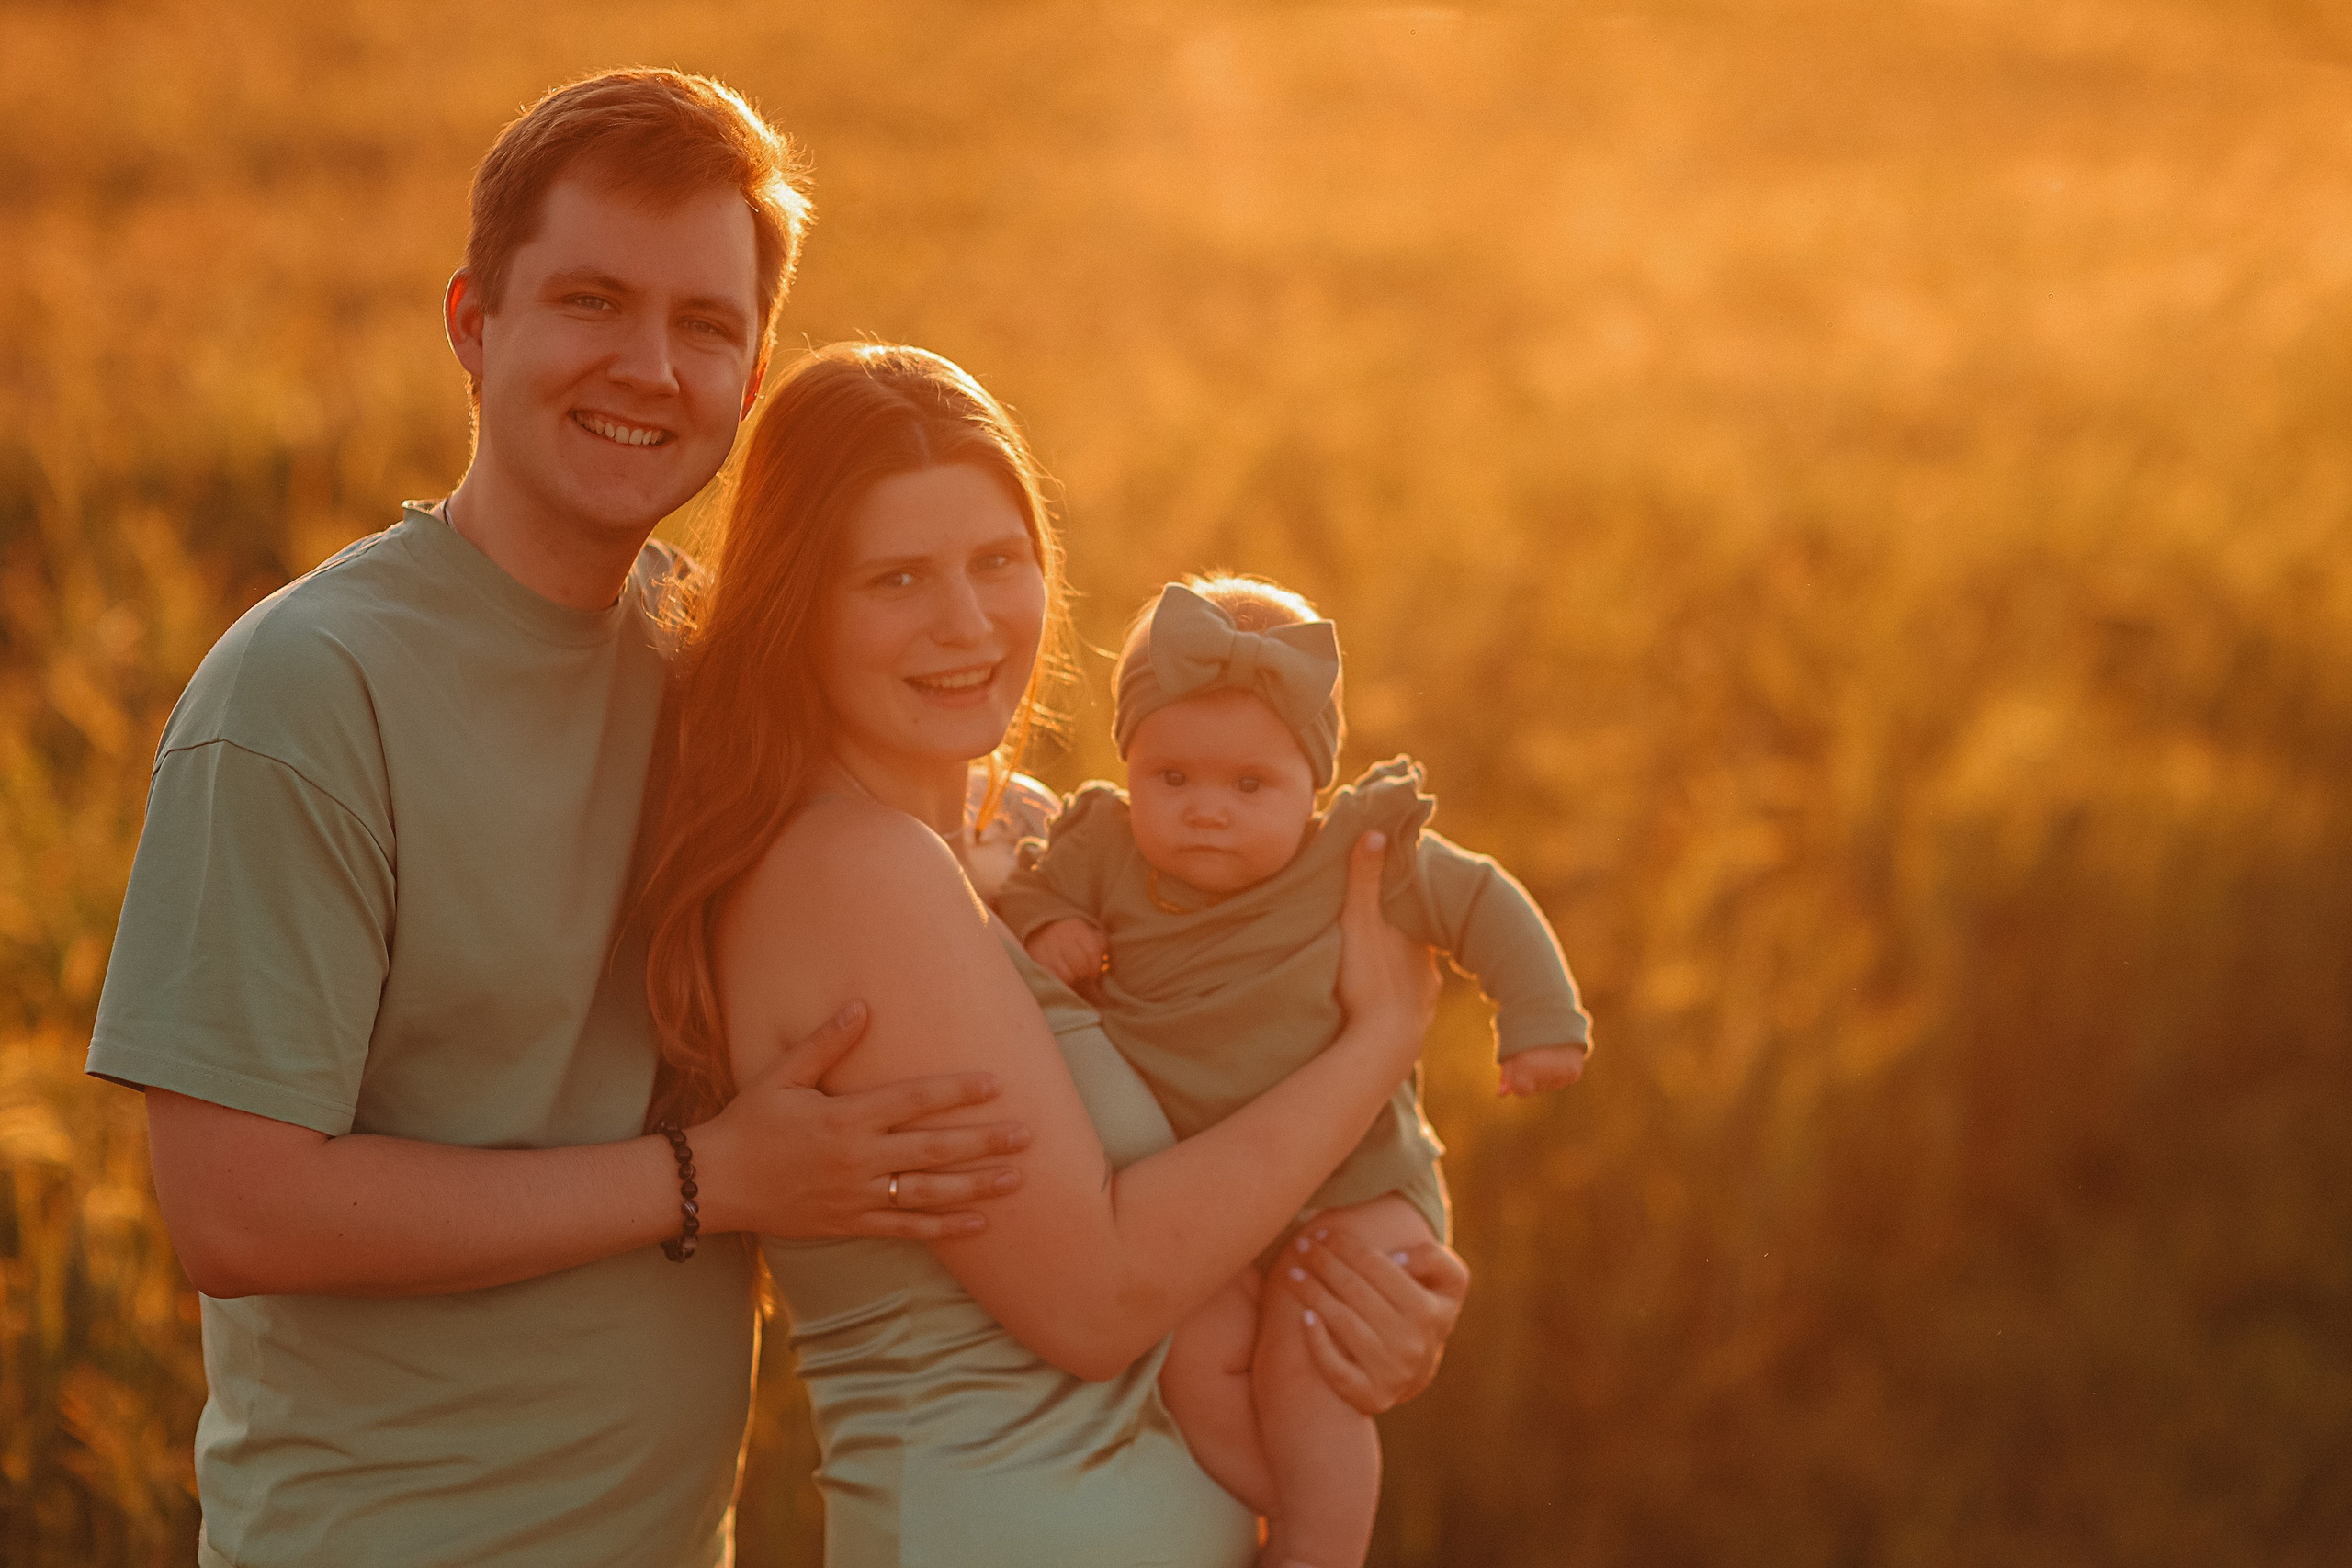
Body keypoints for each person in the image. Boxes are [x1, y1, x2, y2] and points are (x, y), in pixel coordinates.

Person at [85, 72, 1047, 1568]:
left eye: (706, 326)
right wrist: (704, 1179)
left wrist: (1350, 1254)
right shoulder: (305, 693)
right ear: (474, 323)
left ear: (753, 365)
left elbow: (963, 843)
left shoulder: (722, 666)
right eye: (593, 301)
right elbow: (240, 1208)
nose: (651, 367)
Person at [634, 343, 1474, 1568]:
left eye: (998, 559)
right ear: (795, 604)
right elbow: (1100, 1296)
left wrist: (1356, 1305)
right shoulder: (849, 871)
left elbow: (1215, 1164)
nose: (967, 622)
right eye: (898, 577)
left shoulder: (1033, 836)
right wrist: (1382, 1041)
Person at [1000, 575, 1592, 1568]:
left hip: (1355, 1191)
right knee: (1192, 1356)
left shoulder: (1359, 852)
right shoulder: (1099, 848)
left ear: (1312, 782)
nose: (1205, 814)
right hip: (1208, 1206)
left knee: (1310, 1360)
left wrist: (1539, 1020)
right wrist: (1052, 924)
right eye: (1172, 779)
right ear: (1129, 765)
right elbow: (1025, 890)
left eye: (1249, 786)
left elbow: (1483, 901)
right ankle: (1268, 1507)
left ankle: (1320, 1547)